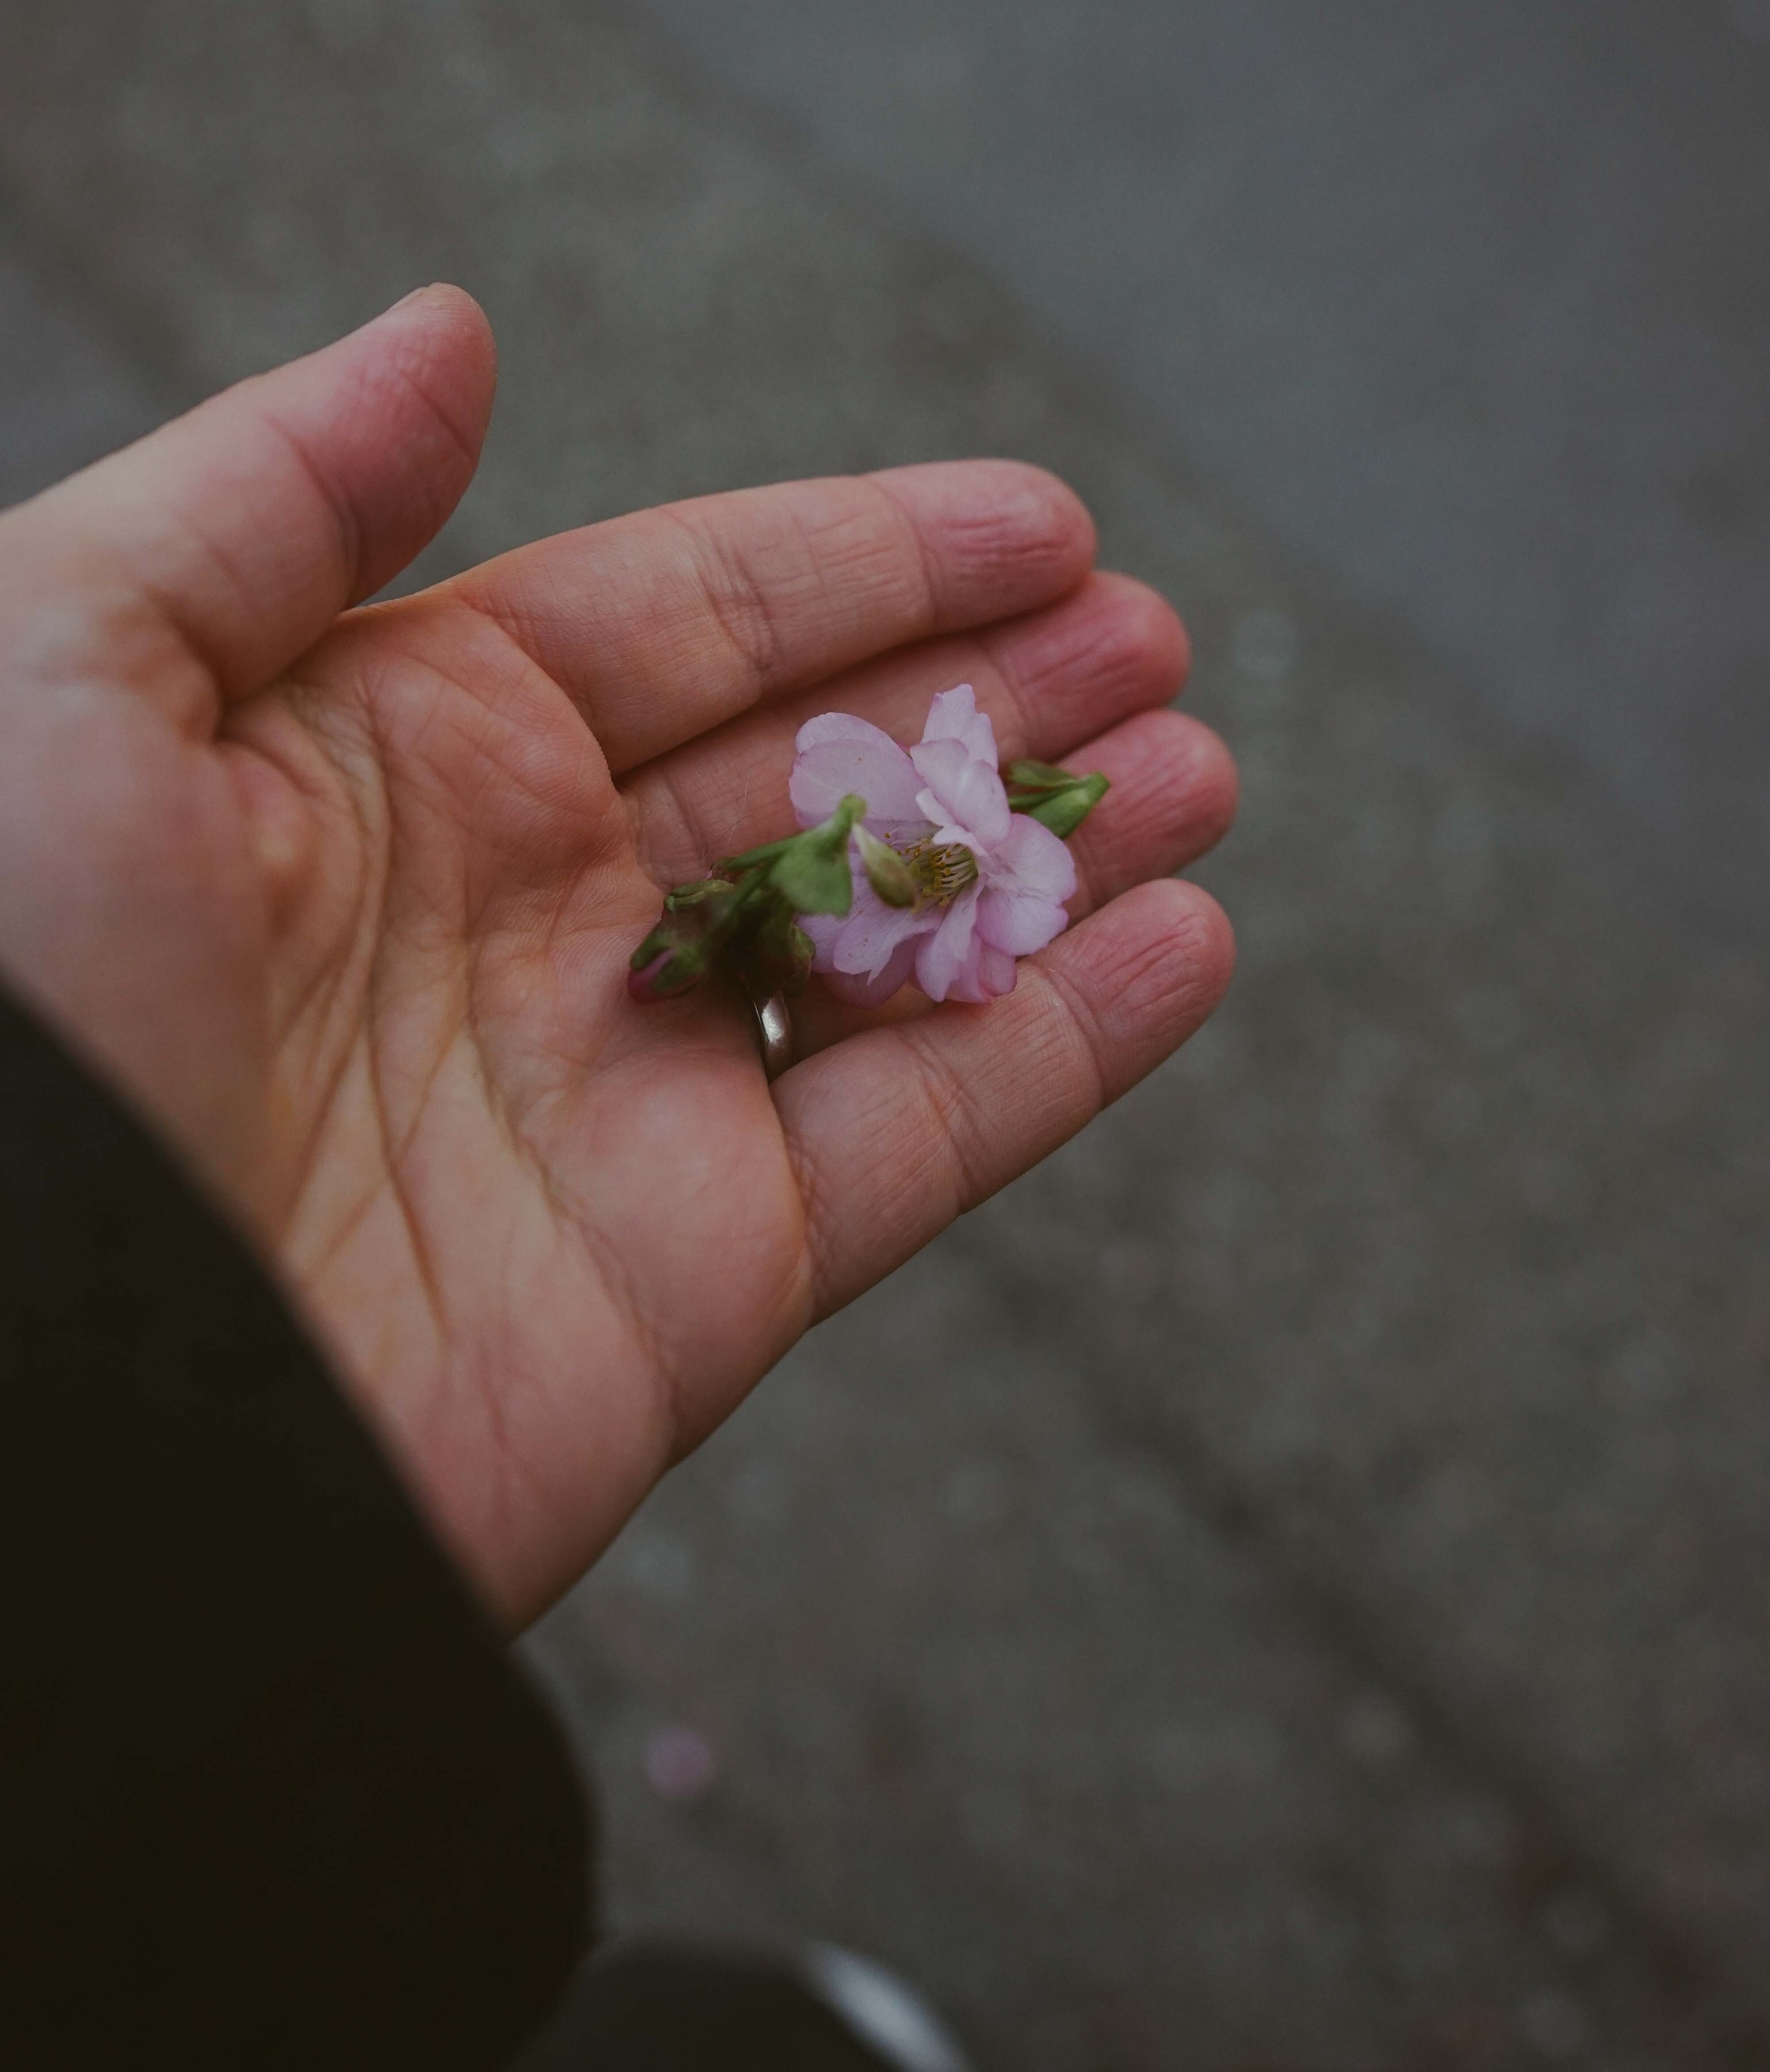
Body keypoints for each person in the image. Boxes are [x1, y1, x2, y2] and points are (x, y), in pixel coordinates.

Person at [0, 285, 1237, 2068]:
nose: (914, 876)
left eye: (936, 867)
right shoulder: (881, 849)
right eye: (917, 861)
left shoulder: (927, 855)